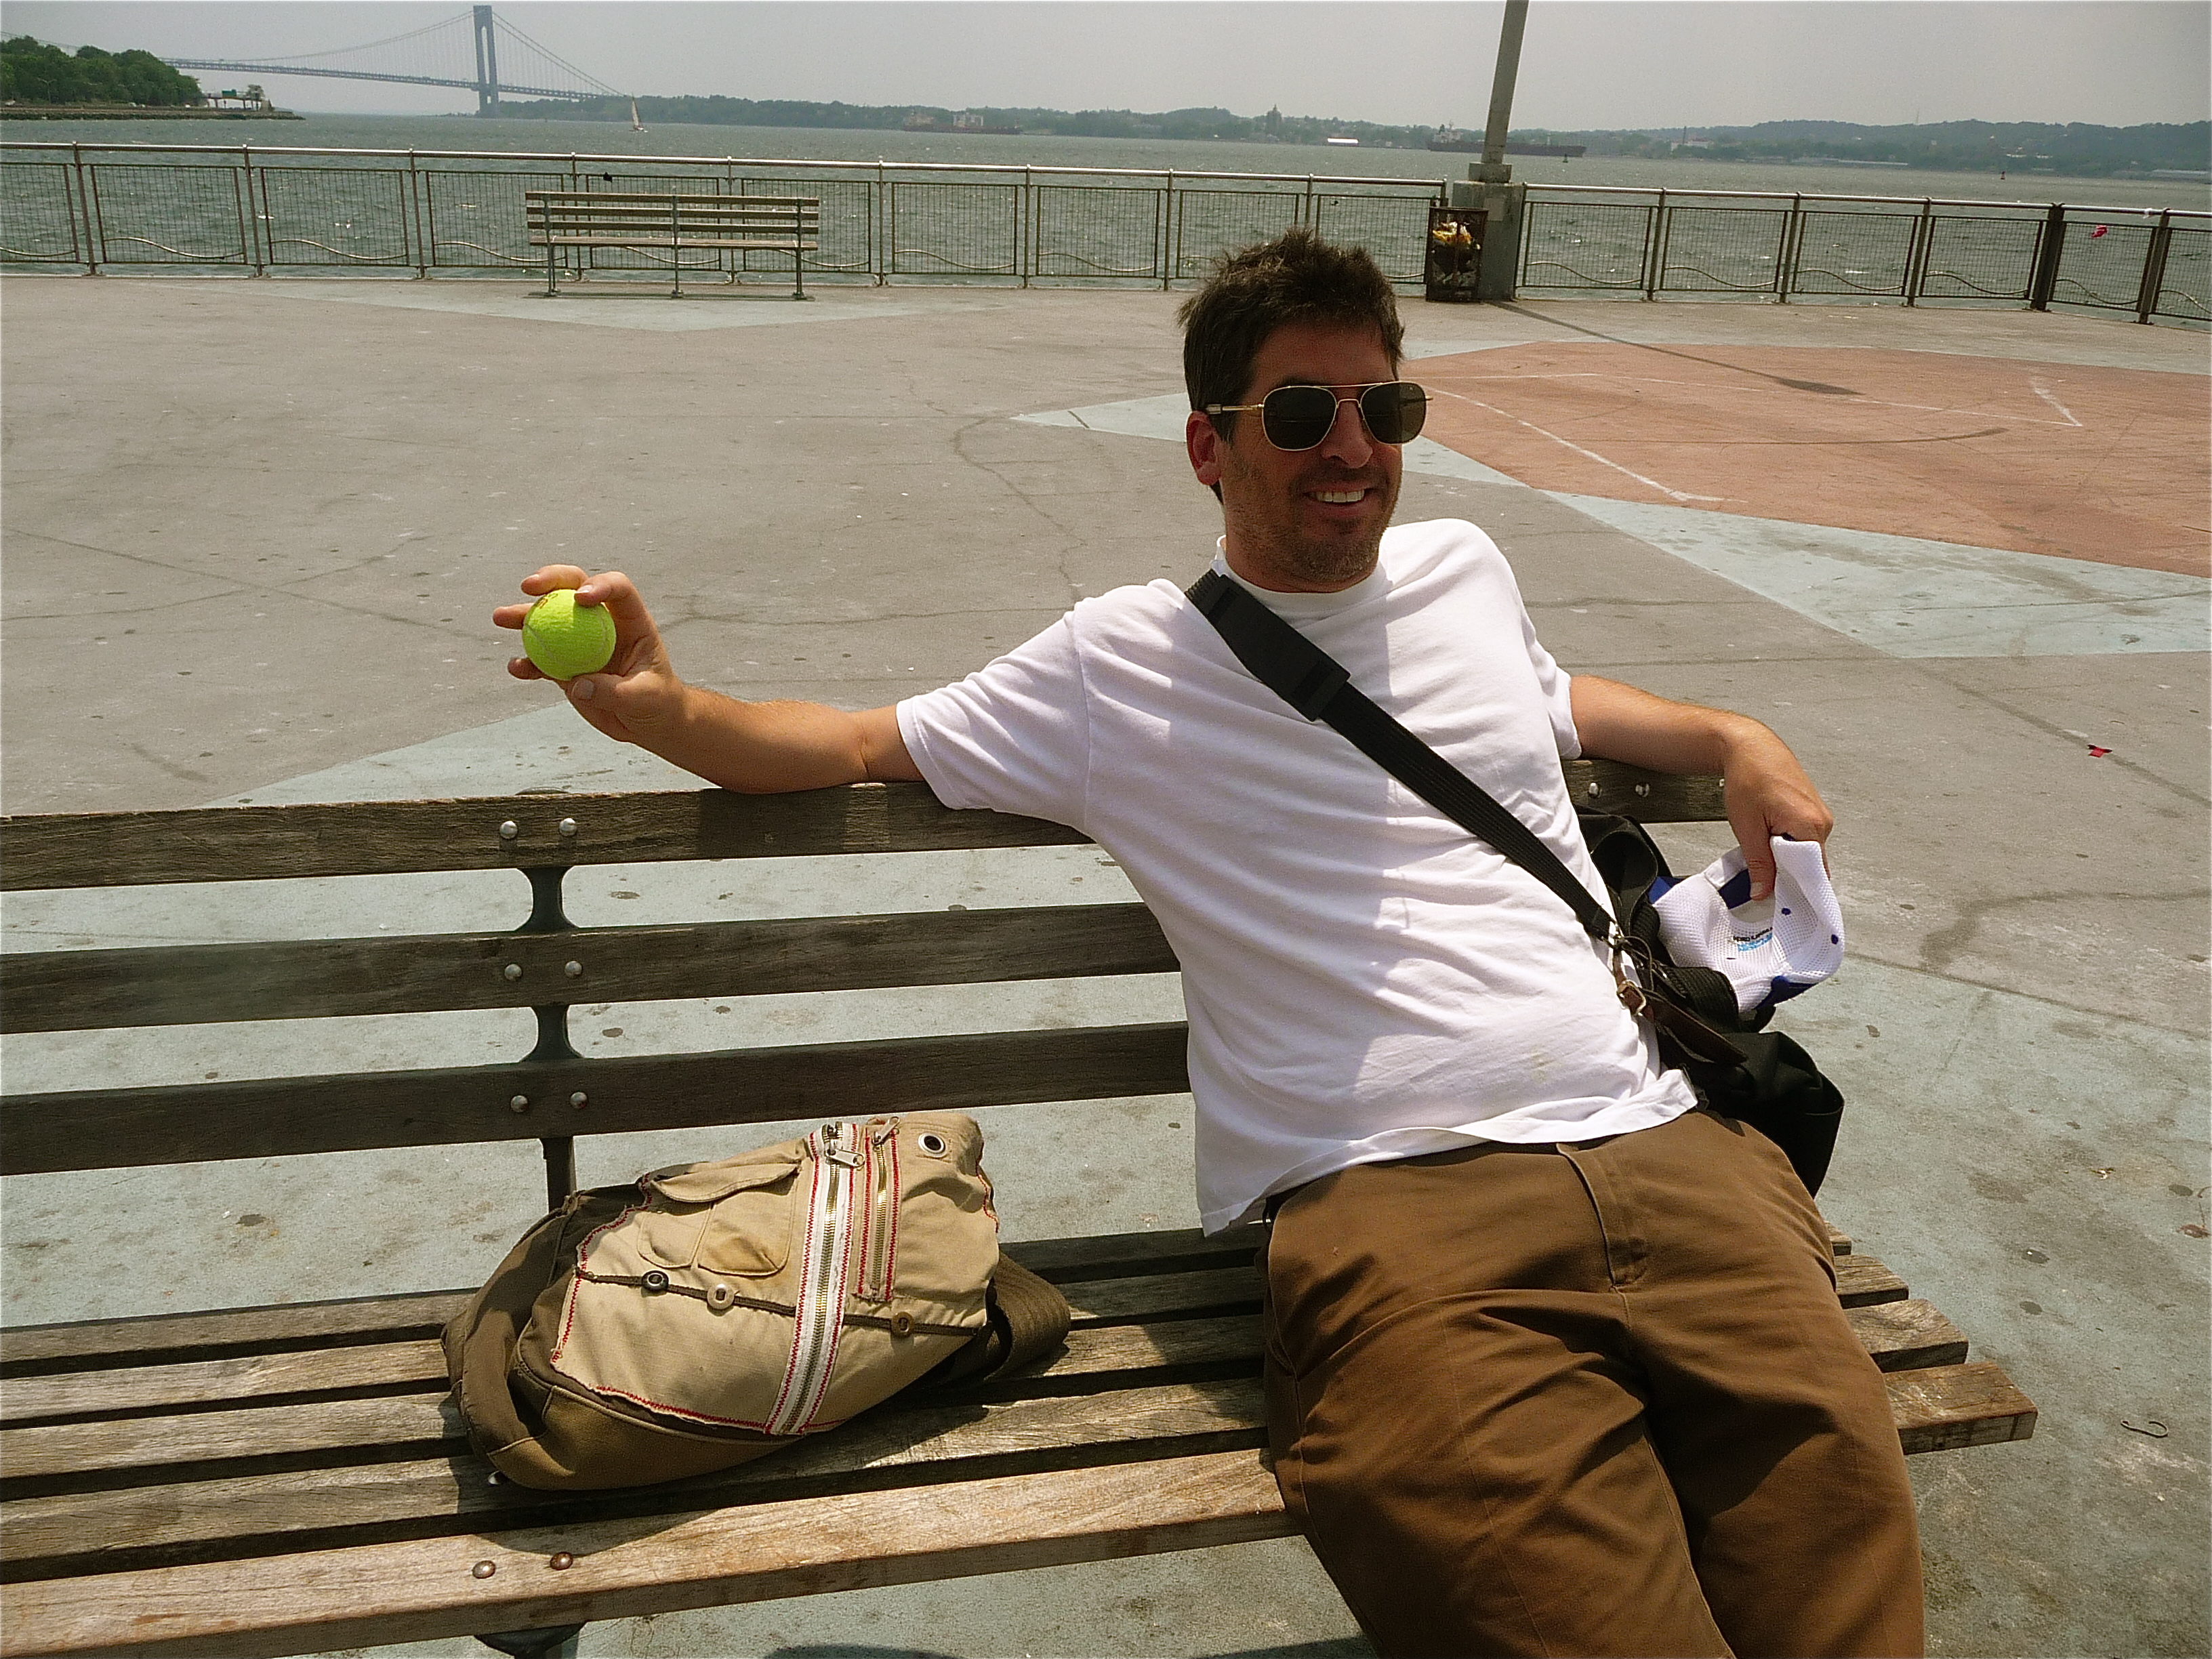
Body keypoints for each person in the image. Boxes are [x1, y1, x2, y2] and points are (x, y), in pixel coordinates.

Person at [494, 228, 1924, 1659]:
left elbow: (1554, 700)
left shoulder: (1468, 568)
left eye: (1384, 407)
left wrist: (1735, 735)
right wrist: (663, 709)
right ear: (1207, 446)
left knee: (1848, 1600)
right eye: (1301, 413)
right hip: (1404, 1215)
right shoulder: (1118, 663)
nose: (1351, 447)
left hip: (1679, 1156)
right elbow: (856, 743)